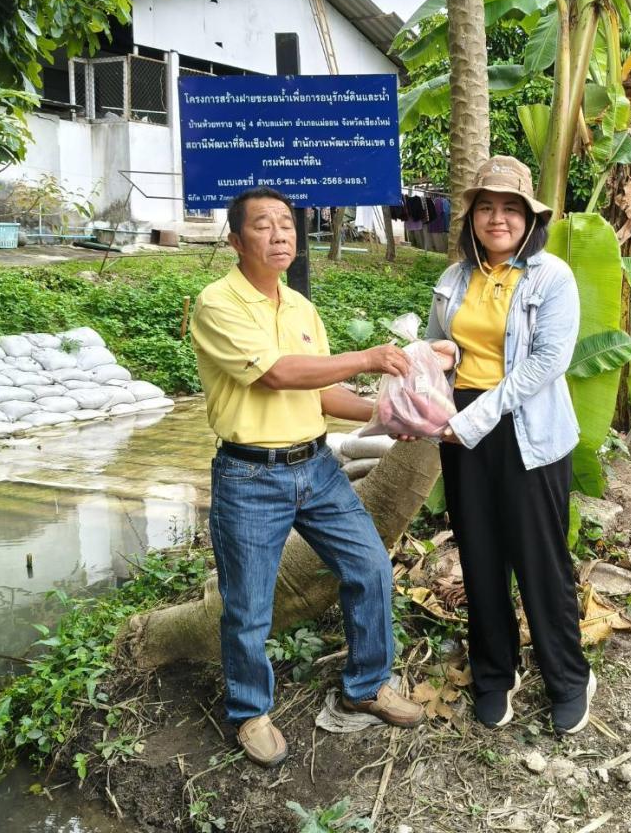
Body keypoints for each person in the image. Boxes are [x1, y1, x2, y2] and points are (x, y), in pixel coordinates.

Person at [190, 187, 426, 767]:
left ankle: (367, 685)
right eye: (263, 225)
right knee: (248, 604)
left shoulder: (301, 307)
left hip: (316, 467)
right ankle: (250, 712)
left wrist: (391, 416)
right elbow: (277, 374)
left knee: (370, 567)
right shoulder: (216, 303)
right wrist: (368, 358)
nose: (280, 235)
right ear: (235, 239)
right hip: (250, 476)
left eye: (287, 225)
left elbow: (320, 389)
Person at [424, 155, 595, 734]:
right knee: (479, 557)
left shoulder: (551, 277)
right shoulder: (453, 279)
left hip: (529, 432)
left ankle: (568, 677)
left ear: (529, 218)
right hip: (461, 430)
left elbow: (548, 362)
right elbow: (436, 346)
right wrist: (433, 375)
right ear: (471, 215)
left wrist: (475, 417)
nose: (497, 218)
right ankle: (495, 673)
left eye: (510, 208)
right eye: (486, 207)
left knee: (539, 559)